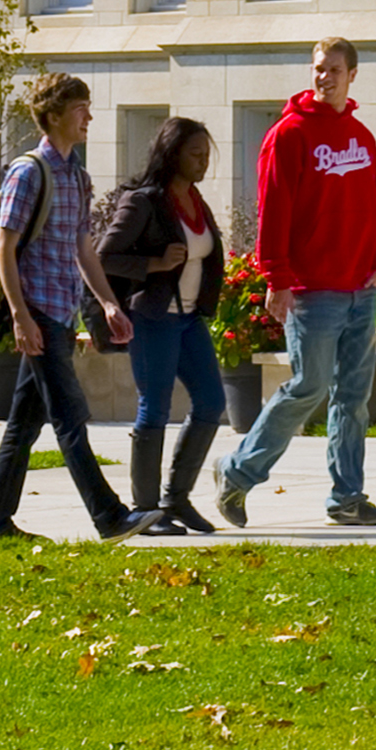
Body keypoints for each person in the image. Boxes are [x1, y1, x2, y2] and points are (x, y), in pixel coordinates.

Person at [211, 35, 376, 530]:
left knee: (353, 398)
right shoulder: (289, 135)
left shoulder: (361, 136)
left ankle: (347, 498)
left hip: (361, 288)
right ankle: (237, 470)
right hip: (313, 289)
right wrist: (277, 278)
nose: (323, 77)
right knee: (307, 387)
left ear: (352, 75)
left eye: (334, 69)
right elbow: (274, 210)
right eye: (318, 68)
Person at [0, 73, 138, 545]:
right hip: (38, 311)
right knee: (70, 415)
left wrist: (108, 303)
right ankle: (109, 516)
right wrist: (21, 315)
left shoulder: (77, 176)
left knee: (23, 426)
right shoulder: (29, 173)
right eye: (80, 108)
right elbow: (3, 249)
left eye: (88, 107)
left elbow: (84, 250)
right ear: (53, 116)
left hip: (62, 313)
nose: (89, 117)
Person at [95, 117, 229, 534]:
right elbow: (103, 257)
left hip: (189, 319)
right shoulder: (144, 200)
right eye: (195, 154)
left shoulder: (195, 199)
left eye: (207, 154)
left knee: (211, 402)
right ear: (172, 154)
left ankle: (176, 499)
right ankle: (146, 510)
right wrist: (154, 263)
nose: (203, 161)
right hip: (153, 318)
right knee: (153, 408)